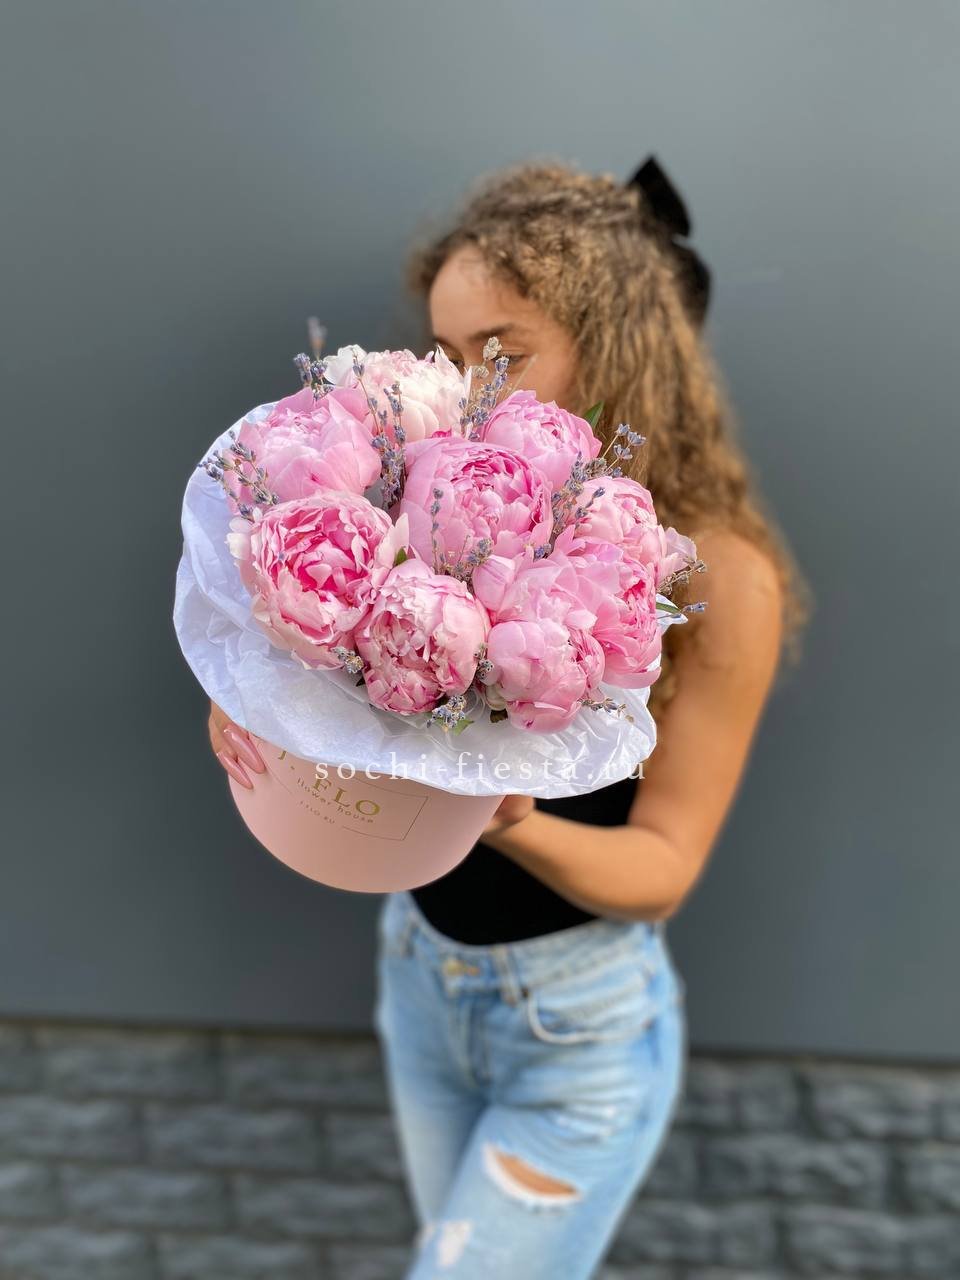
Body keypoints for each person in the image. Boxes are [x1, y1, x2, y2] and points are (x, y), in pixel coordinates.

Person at [208, 155, 813, 1278]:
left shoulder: (722, 577)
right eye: (449, 352)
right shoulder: (422, 515)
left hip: (572, 1033)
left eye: (504, 350)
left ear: (618, 345)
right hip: (418, 975)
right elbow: (356, 711)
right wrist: (261, 708)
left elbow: (664, 868)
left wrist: (510, 818)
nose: (470, 389)